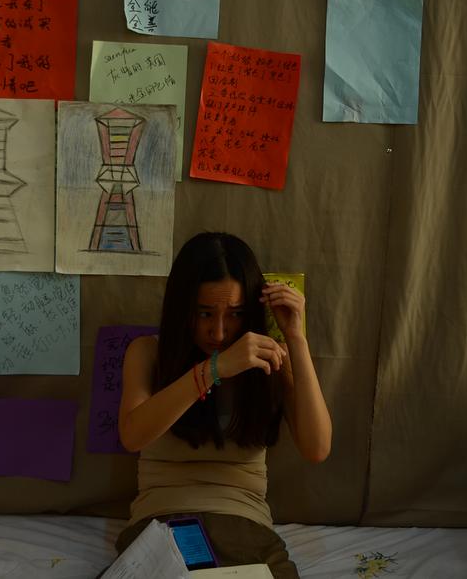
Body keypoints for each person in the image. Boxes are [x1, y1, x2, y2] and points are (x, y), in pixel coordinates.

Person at [116, 232, 332, 578]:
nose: (218, 332)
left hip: (244, 525)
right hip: (161, 524)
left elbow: (317, 447)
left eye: (235, 314)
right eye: (204, 313)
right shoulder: (147, 353)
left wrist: (295, 337)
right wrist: (214, 369)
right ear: (182, 309)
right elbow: (132, 436)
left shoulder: (271, 359)